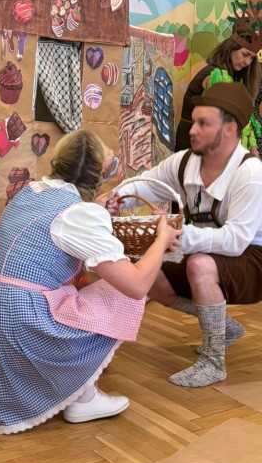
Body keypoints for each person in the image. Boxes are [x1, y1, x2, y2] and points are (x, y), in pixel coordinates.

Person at [0, 129, 181, 435]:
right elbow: (136, 286)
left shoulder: (31, 192)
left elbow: (55, 233)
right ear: (99, 172)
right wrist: (161, 239)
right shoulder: (76, 214)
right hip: (24, 321)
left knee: (85, 285)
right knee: (121, 294)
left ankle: (77, 391)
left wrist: (96, 208)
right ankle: (83, 396)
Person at [111, 81, 262, 388]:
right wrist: (116, 198)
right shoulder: (183, 162)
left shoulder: (251, 174)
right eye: (194, 122)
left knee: (199, 265)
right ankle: (225, 327)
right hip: (207, 249)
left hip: (253, 259)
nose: (192, 130)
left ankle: (213, 361)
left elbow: (235, 241)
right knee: (146, 273)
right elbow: (146, 184)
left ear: (230, 130)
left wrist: (177, 236)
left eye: (203, 124)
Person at [175, 4, 261, 152]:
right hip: (194, 144)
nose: (247, 62)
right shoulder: (213, 75)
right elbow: (225, 118)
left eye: (252, 58)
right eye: (245, 55)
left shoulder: (236, 77)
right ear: (231, 48)